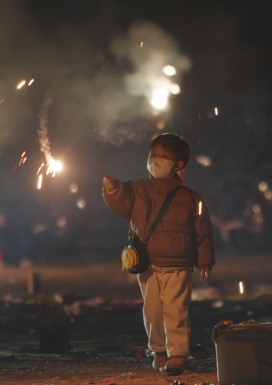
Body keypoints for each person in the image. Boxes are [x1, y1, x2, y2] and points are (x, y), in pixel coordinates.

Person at [102, 133, 215, 375]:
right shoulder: (137, 189)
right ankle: (159, 352)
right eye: (153, 155)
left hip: (178, 263)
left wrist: (205, 261)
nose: (155, 160)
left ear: (179, 165)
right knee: (152, 311)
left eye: (163, 157)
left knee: (176, 310)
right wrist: (113, 190)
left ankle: (178, 355)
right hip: (146, 262)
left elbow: (203, 233)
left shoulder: (191, 198)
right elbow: (122, 204)